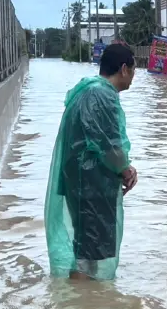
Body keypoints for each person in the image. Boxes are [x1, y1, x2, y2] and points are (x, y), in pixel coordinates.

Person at [44, 43, 138, 281]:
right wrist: (126, 170)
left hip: (79, 183)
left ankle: (86, 308)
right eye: (134, 71)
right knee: (88, 257)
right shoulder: (103, 95)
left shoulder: (87, 90)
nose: (133, 78)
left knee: (87, 250)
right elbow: (109, 146)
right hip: (91, 187)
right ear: (124, 69)